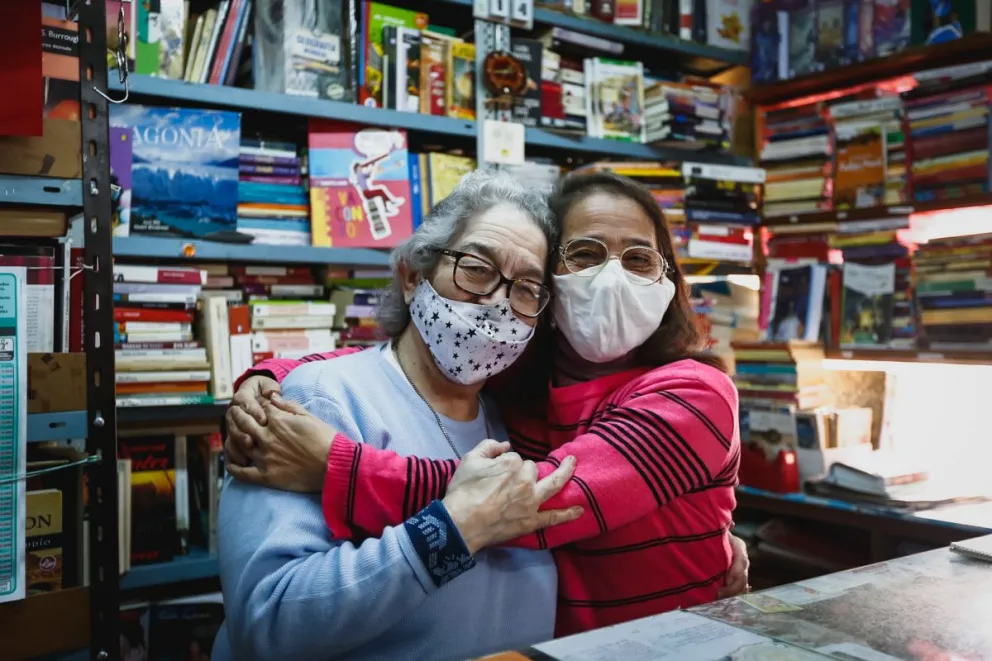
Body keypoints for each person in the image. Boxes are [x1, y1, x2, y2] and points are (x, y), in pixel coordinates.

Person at [226, 171, 749, 639]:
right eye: (585, 255)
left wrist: (337, 466)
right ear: (413, 275)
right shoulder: (515, 395)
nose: (497, 303)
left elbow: (528, 504)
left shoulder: (692, 392)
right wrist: (272, 375)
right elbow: (395, 365)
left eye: (639, 259)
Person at [213, 170, 585, 661]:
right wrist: (455, 529)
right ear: (413, 276)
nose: (497, 302)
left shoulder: (522, 422)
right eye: (476, 267)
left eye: (526, 288)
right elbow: (268, 623)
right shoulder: (317, 403)